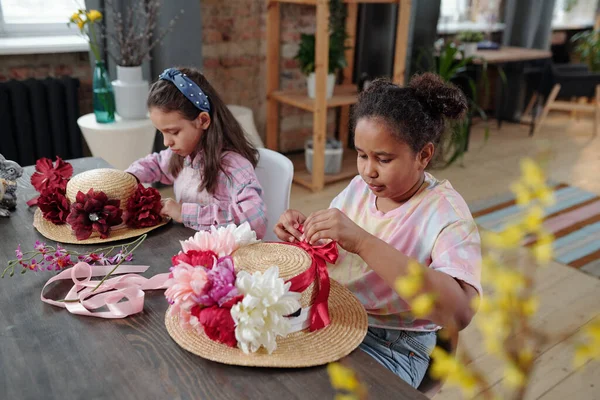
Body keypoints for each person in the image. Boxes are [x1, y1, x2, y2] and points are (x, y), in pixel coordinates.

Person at [274, 73, 482, 388]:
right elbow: (336, 247)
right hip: (338, 315)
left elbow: (460, 313)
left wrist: (362, 241)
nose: (368, 171)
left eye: (383, 159)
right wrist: (305, 231)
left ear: (423, 155)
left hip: (396, 344)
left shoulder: (445, 215)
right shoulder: (360, 189)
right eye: (361, 155)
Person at [126, 67, 267, 238]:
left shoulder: (233, 166)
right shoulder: (181, 155)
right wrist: (130, 178)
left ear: (203, 120)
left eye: (174, 132)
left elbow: (255, 220)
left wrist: (184, 213)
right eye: (161, 132)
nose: (166, 142)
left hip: (227, 258)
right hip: (190, 246)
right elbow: (155, 164)